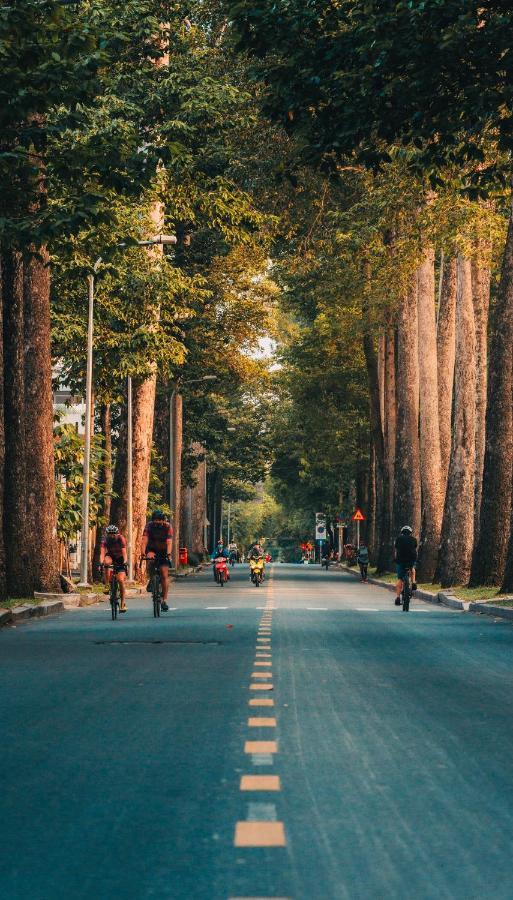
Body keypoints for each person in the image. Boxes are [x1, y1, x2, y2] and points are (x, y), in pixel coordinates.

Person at [141, 510, 173, 612]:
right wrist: (143, 553)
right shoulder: (149, 526)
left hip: (164, 550)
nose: (157, 522)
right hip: (152, 549)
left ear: (163, 520)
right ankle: (151, 578)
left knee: (164, 574)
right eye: (155, 520)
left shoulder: (168, 527)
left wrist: (168, 554)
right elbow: (144, 540)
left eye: (159, 520)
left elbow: (169, 542)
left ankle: (164, 600)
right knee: (150, 559)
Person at [100, 524, 128, 612]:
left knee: (120, 580)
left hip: (120, 558)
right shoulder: (105, 540)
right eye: (110, 534)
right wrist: (101, 563)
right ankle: (107, 584)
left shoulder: (121, 539)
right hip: (111, 556)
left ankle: (123, 604)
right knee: (106, 563)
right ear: (107, 534)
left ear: (117, 533)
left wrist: (125, 562)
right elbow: (102, 553)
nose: (112, 536)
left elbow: (124, 553)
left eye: (114, 534)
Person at [394, 525, 418, 605]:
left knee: (400, 579)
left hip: (401, 560)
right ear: (410, 533)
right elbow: (414, 549)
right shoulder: (414, 539)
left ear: (402, 533)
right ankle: (414, 582)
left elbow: (396, 550)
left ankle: (397, 598)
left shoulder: (398, 539)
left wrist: (395, 559)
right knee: (412, 569)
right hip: (411, 560)